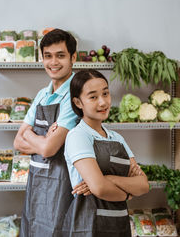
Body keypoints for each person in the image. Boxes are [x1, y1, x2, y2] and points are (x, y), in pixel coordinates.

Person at [62, 69, 149, 237]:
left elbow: (144, 185)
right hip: (88, 226)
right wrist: (129, 192)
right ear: (78, 102)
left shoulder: (117, 138)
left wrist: (110, 179)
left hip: (119, 224)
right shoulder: (78, 136)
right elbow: (100, 188)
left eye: (106, 94)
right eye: (93, 97)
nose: (103, 102)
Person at [13, 28, 79, 237]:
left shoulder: (76, 94)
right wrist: (42, 139)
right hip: (37, 179)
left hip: (64, 181)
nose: (53, 63)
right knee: (33, 228)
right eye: (48, 56)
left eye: (60, 55)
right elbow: (17, 141)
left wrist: (33, 137)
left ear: (73, 57)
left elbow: (50, 149)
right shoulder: (43, 94)